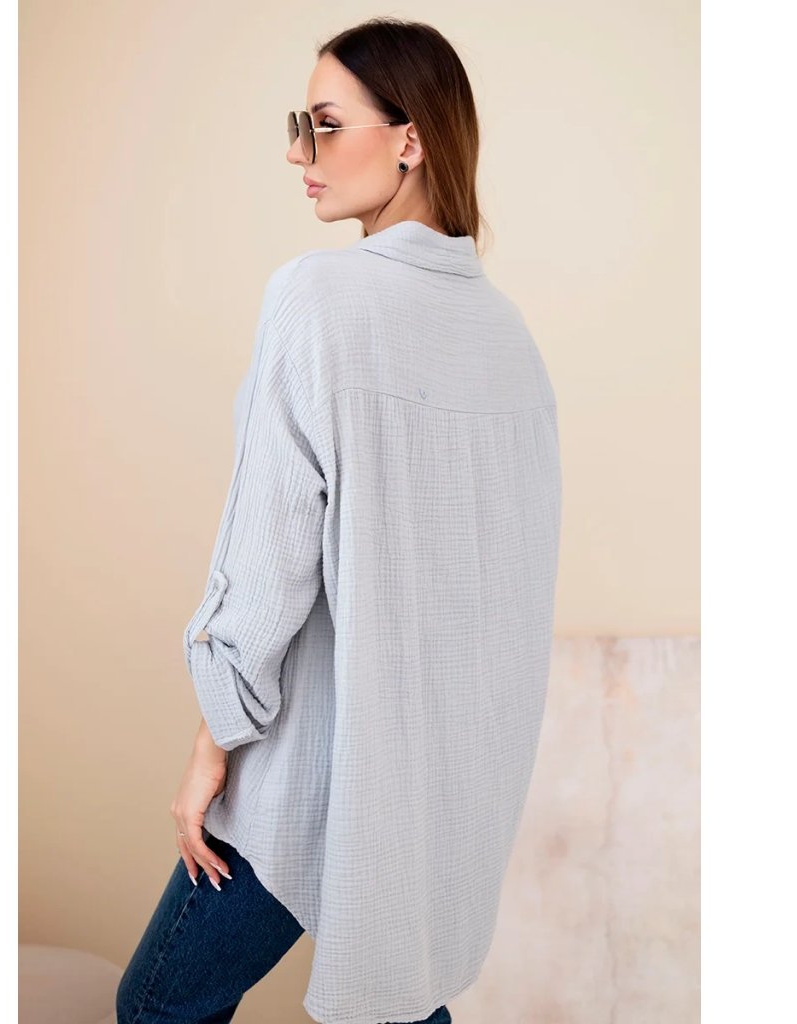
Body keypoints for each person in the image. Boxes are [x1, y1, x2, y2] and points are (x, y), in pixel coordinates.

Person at [116, 16, 562, 1024]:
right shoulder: (509, 337)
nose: (298, 153)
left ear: (411, 138)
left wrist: (214, 741)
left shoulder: (316, 296)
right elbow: (515, 583)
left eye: (323, 124)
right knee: (400, 1002)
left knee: (156, 1008)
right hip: (441, 789)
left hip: (310, 767)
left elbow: (268, 556)